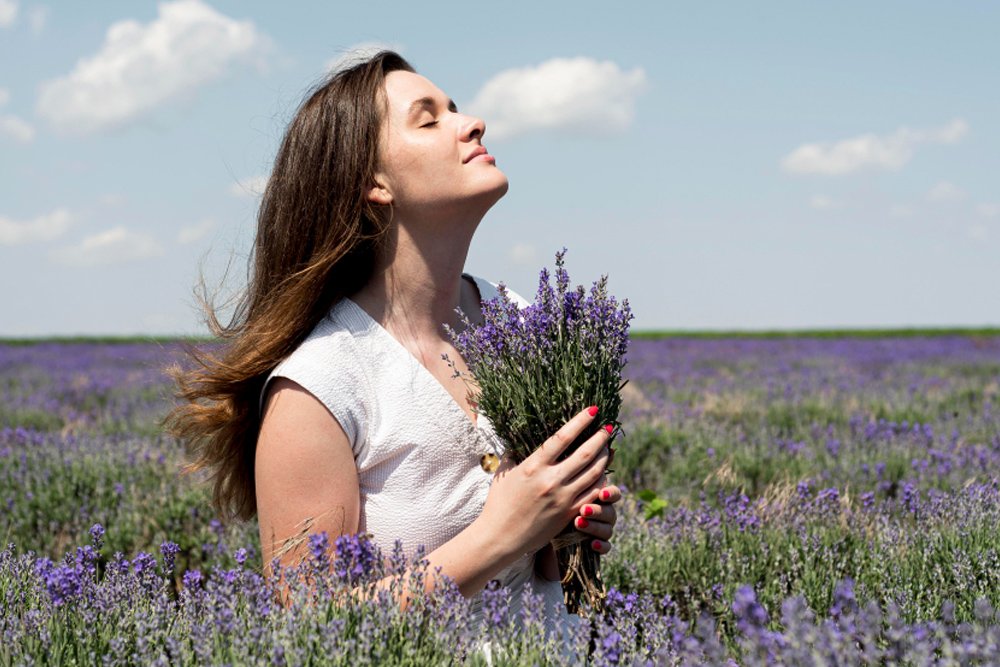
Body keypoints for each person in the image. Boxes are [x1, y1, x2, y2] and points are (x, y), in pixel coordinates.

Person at [169, 51, 621, 632]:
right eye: (429, 119)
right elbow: (309, 626)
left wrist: (565, 530)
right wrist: (500, 535)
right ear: (372, 183)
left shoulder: (525, 322)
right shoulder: (320, 387)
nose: (472, 123)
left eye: (455, 109)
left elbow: (547, 571)